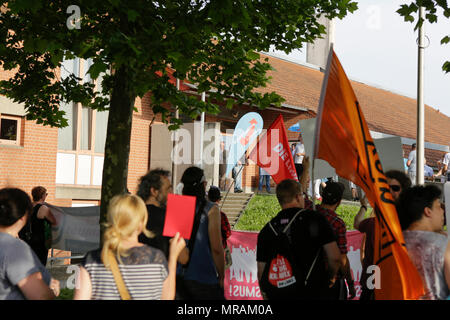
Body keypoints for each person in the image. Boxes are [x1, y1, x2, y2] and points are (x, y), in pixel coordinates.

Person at [74, 194, 186, 300]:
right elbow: (167, 298)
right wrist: (173, 257)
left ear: (111, 219)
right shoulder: (156, 259)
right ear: (141, 223)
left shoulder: (91, 260)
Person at [256, 179, 341, 300]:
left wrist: (266, 295)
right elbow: (335, 258)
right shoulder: (315, 219)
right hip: (311, 291)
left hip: (279, 295)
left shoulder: (266, 231)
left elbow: (261, 272)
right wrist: (332, 277)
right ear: (297, 197)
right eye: (302, 195)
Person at [353, 170, 411, 300]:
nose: (389, 191)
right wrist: (364, 206)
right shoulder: (374, 223)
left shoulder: (411, 224)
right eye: (385, 187)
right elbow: (357, 224)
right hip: (372, 286)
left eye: (395, 188)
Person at [0, 188, 60, 300]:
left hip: (27, 240)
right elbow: (40, 295)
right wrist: (52, 291)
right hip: (39, 243)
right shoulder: (15, 249)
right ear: (23, 216)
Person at [177, 166, 225, 300]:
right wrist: (221, 275)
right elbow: (216, 248)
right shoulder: (211, 210)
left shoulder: (176, 206)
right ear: (203, 184)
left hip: (178, 276)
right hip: (204, 277)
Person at [396, 185, 450, 300]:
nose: (442, 212)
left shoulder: (394, 242)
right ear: (428, 211)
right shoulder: (443, 244)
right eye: (439, 207)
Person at [136, 169, 188, 264]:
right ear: (154, 191)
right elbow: (183, 258)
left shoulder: (131, 214)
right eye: (168, 189)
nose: (171, 193)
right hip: (160, 274)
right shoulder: (170, 216)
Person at [316, 182, 356, 300]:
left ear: (322, 196)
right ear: (339, 202)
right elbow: (341, 259)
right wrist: (350, 283)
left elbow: (300, 192)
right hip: (330, 280)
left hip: (309, 277)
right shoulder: (337, 223)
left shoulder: (310, 211)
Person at [19, 186, 56, 266]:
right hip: (39, 244)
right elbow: (54, 221)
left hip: (27, 242)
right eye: (46, 194)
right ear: (43, 195)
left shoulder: (27, 208)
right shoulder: (43, 208)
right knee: (39, 267)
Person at [207, 186, 232, 268]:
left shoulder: (202, 213)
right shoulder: (222, 215)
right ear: (219, 200)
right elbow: (228, 233)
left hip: (205, 251)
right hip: (219, 251)